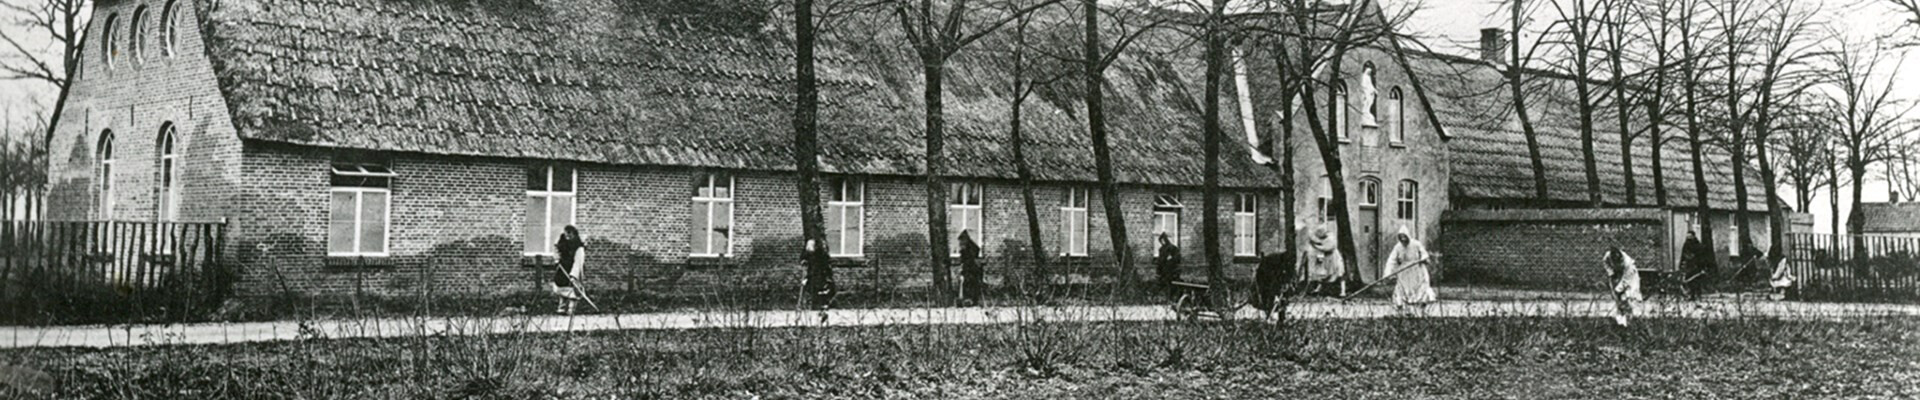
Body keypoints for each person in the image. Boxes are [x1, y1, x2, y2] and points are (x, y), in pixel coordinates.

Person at [1381, 227, 1436, 309]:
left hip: (1416, 269)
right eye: (1401, 237)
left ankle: (1422, 302)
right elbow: (1391, 260)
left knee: (1420, 286)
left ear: (1408, 236)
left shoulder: (1416, 244)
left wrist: (1422, 259)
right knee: (1402, 287)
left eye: (1404, 236)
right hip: (1404, 271)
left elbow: (1424, 253)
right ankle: (1400, 303)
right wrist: (1387, 273)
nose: (1403, 239)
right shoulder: (1398, 247)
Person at [1602, 247, 1642, 326]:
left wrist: (1618, 289)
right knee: (1618, 300)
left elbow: (1626, 280)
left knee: (1631, 296)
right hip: (1617, 274)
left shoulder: (1628, 264)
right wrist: (1611, 273)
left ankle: (1636, 318)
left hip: (1630, 277)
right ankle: (1621, 321)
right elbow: (1605, 263)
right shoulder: (1607, 256)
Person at [1304, 221, 1346, 296]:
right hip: (1326, 258)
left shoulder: (1330, 238)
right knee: (1323, 274)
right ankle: (1318, 289)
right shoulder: (1322, 239)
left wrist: (1315, 246)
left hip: (1334, 257)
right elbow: (1318, 242)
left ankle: (1343, 291)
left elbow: (1326, 248)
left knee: (1340, 273)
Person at [551, 225, 586, 315]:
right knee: (561, 287)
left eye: (569, 234)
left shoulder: (579, 247)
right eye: (566, 234)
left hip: (574, 267)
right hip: (563, 267)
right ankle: (561, 308)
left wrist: (573, 275)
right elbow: (556, 248)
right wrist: (557, 259)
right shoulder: (561, 241)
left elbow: (578, 262)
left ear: (573, 234)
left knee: (573, 289)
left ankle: (571, 309)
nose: (567, 236)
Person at [1251, 250, 1297, 316]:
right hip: (1268, 281)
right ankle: (1270, 312)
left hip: (1276, 281)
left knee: (1280, 298)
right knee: (1270, 296)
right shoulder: (1270, 263)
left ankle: (1279, 314)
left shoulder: (1284, 264)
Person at [1679, 230, 1715, 300]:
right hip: (1689, 265)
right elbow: (1683, 255)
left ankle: (1698, 295)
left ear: (1693, 236)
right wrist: (1681, 263)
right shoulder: (1686, 245)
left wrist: (1702, 265)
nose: (1689, 238)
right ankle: (1692, 295)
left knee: (1696, 281)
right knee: (1689, 281)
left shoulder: (1697, 245)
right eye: (1688, 236)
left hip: (1696, 265)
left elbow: (1701, 256)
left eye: (1690, 236)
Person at [802, 238, 836, 310]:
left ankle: (823, 304)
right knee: (817, 289)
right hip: (818, 274)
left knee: (823, 289)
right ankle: (818, 304)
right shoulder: (813, 256)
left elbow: (825, 265)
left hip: (821, 274)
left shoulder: (821, 256)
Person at [958, 230, 985, 306]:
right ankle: (971, 300)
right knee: (970, 284)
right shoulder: (970, 248)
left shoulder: (969, 250)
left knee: (970, 284)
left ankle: (970, 300)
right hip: (970, 270)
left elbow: (967, 260)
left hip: (971, 270)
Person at [1155, 233, 1182, 300]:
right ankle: (1165, 297)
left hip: (1171, 270)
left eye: (1163, 240)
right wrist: (1158, 269)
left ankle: (1172, 297)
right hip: (1163, 270)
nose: (1162, 242)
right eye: (1161, 241)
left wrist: (1171, 259)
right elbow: (1160, 260)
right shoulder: (1161, 249)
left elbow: (1177, 258)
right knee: (1163, 284)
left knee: (1172, 284)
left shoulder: (1172, 248)